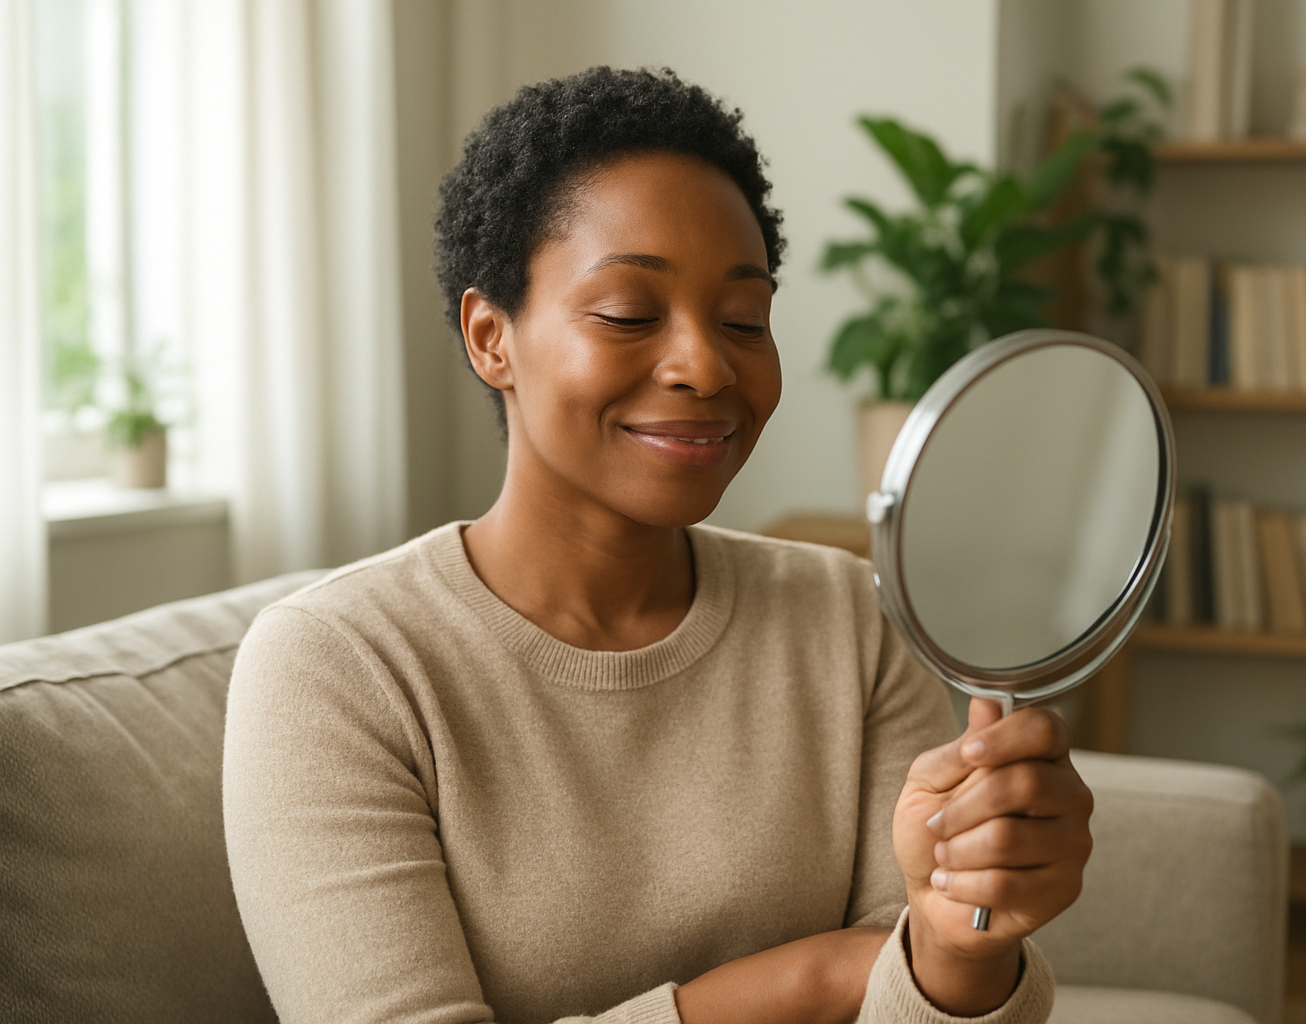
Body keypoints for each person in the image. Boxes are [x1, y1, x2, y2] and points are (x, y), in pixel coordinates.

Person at [223, 66, 1093, 1024]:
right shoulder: (336, 666)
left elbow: (920, 987)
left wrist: (955, 946)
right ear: (490, 338)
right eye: (630, 315)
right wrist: (818, 977)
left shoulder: (849, 619)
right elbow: (859, 985)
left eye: (743, 320)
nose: (706, 364)